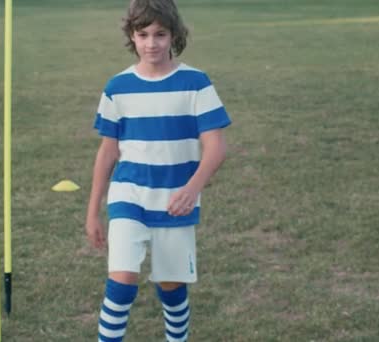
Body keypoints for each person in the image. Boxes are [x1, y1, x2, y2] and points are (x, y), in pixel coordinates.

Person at [85, 0, 231, 340]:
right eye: (143, 34)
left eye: (160, 34)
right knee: (120, 287)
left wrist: (192, 188)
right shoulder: (117, 87)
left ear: (174, 35)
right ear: (132, 37)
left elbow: (217, 147)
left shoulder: (196, 83)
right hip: (129, 193)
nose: (152, 43)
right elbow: (108, 152)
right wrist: (93, 211)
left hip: (175, 199)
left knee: (172, 289)